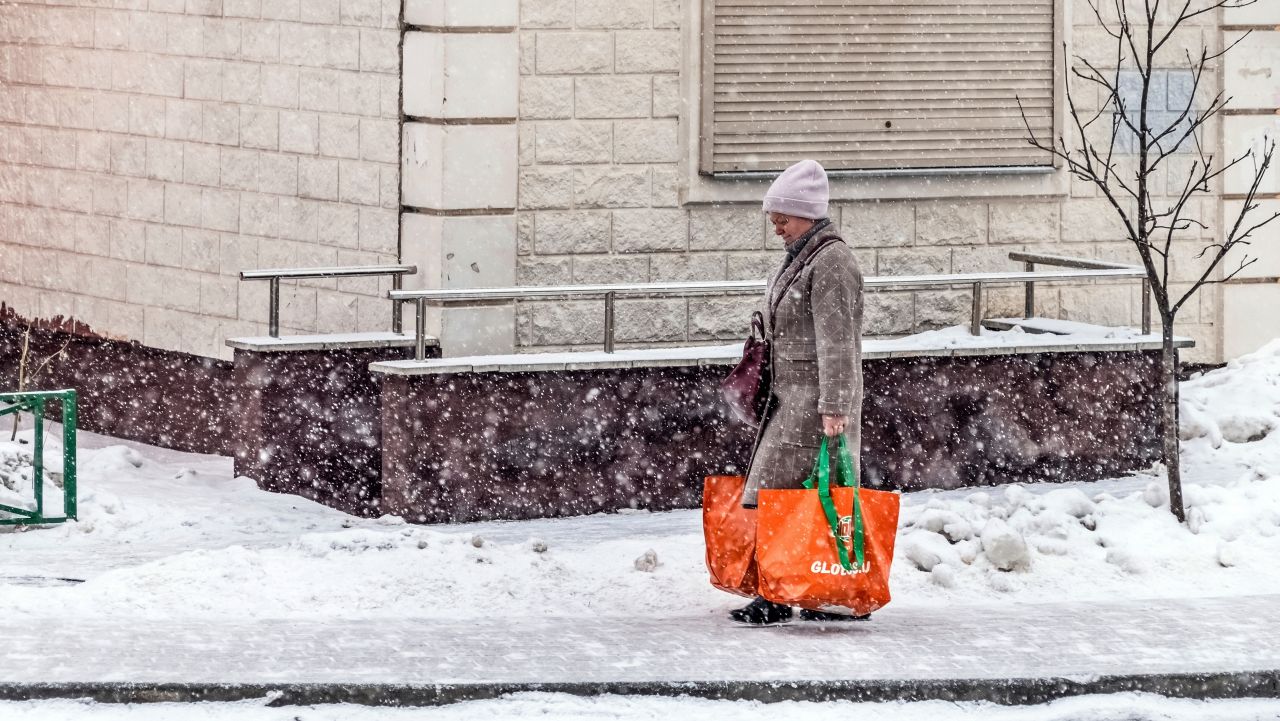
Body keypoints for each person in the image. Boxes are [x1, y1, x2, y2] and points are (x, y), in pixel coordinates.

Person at [731, 159, 866, 626]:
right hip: (789, 401)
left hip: (813, 405)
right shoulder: (801, 257)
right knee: (786, 497)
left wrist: (835, 407)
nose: (777, 229)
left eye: (782, 220)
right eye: (774, 221)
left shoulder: (831, 261)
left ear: (808, 214)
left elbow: (838, 339)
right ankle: (799, 589)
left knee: (785, 497)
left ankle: (786, 593)